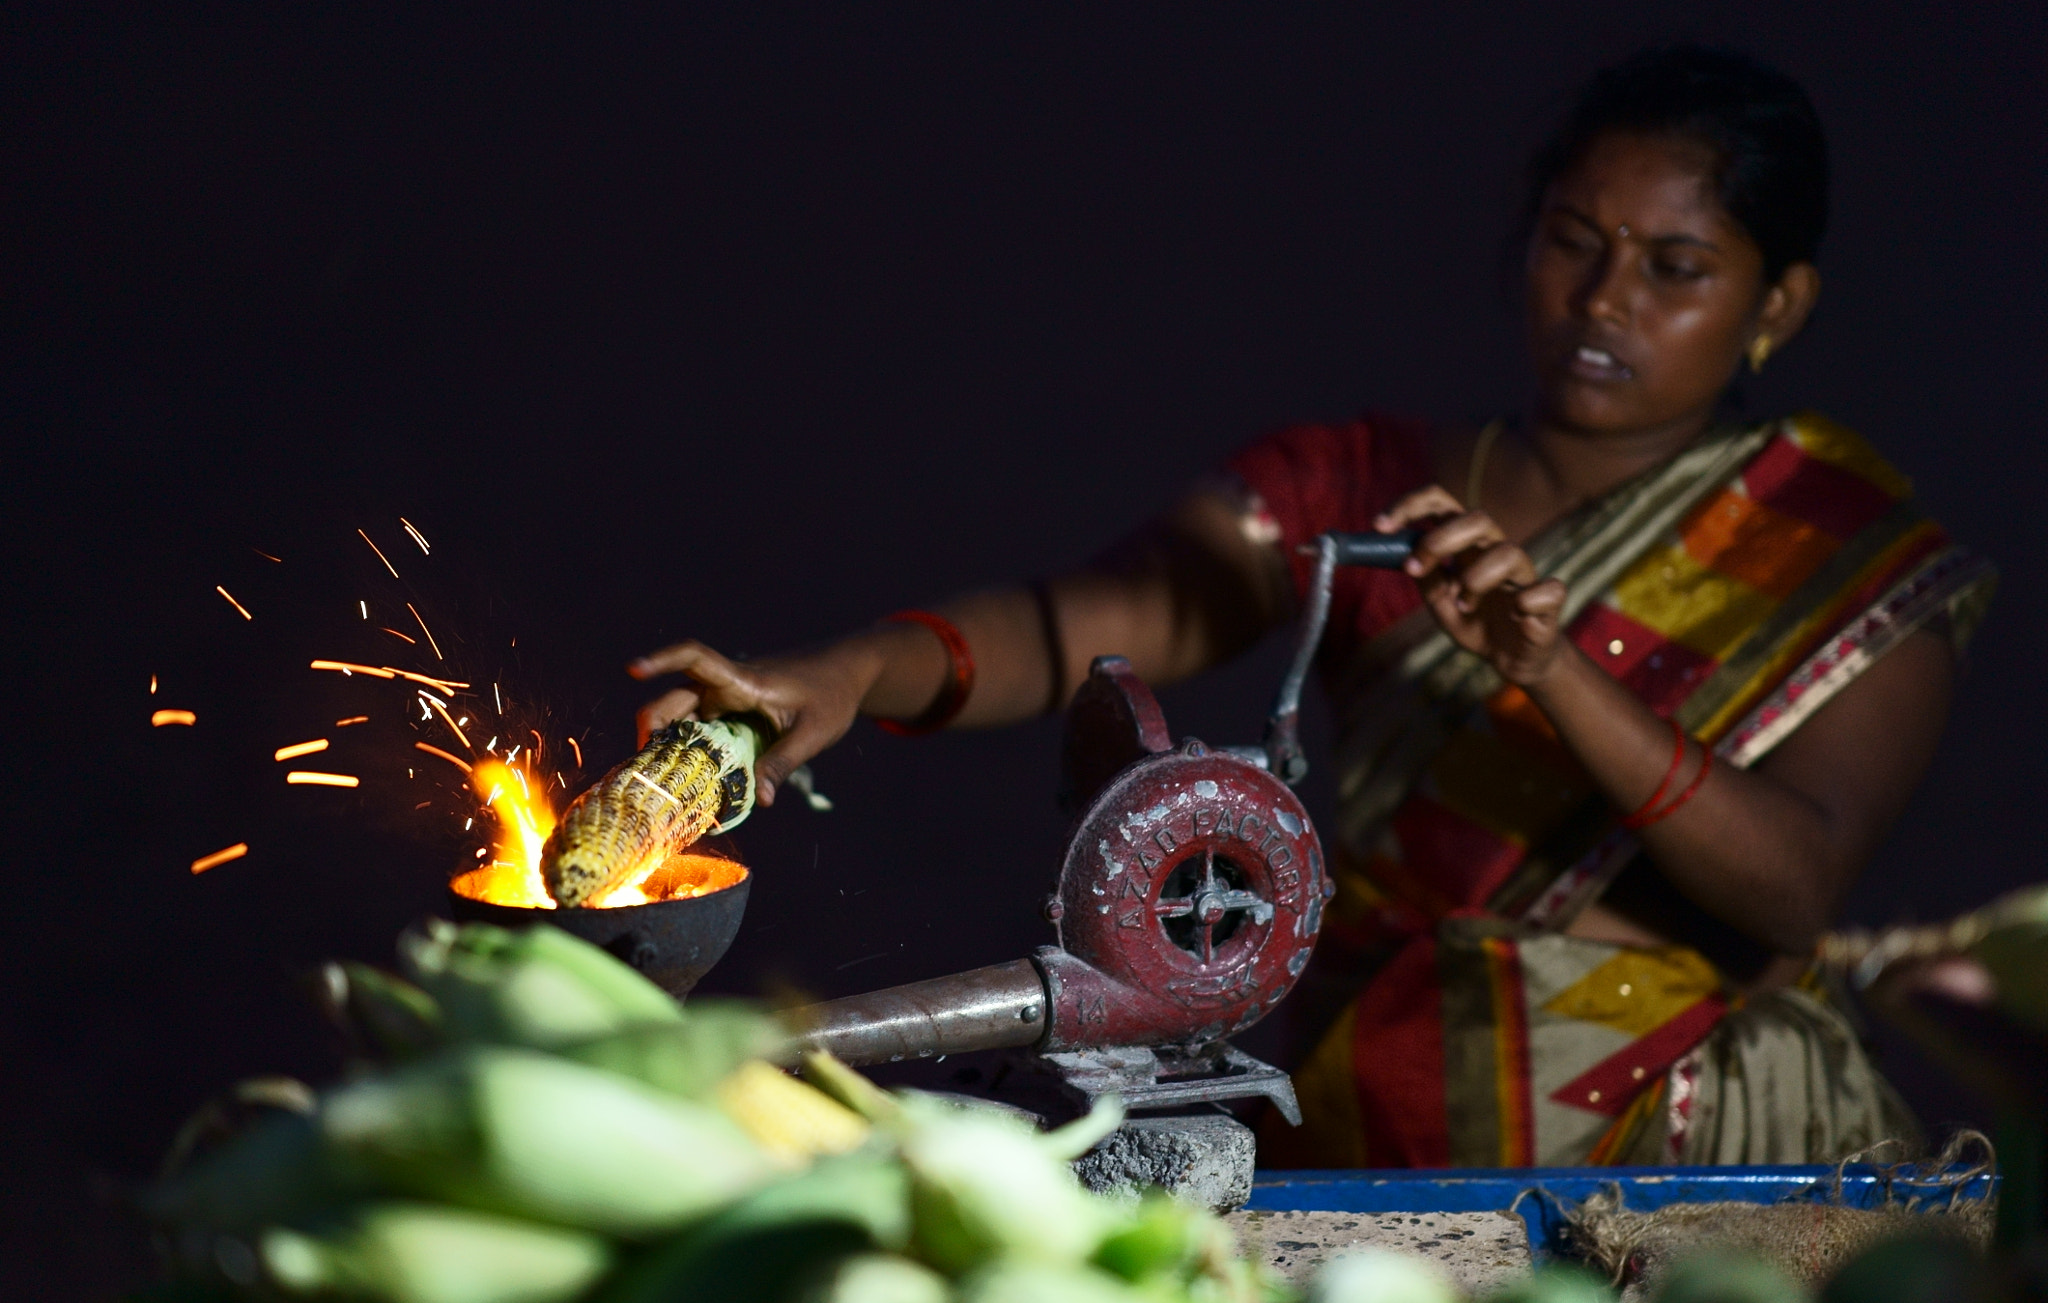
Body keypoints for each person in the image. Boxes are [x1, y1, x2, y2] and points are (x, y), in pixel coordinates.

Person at [627, 46, 1994, 1168]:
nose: (1603, 299)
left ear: (1778, 304)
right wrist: (858, 672)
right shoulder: (1365, 483)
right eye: (1575, 242)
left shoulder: (1839, 555)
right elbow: (1096, 619)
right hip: (1383, 1121)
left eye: (1675, 269)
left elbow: (1796, 886)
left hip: (1694, 1155)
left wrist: (1553, 668)